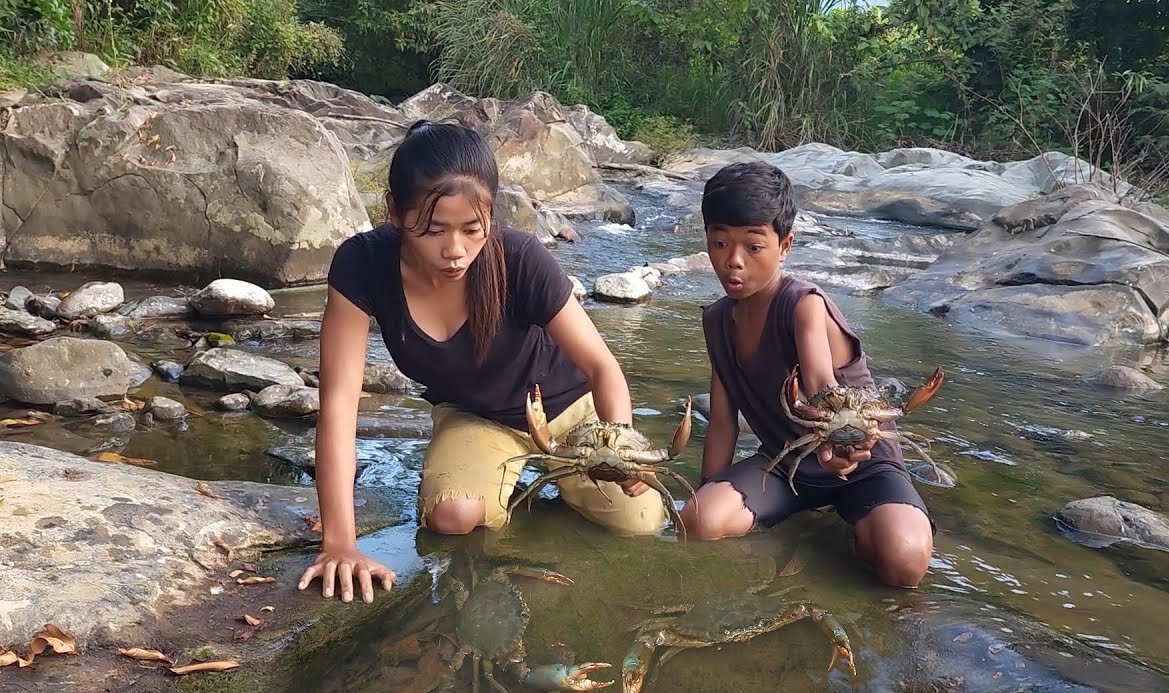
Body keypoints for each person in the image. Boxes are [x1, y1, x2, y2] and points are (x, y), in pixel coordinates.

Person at [297, 120, 665, 605]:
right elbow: (340, 405)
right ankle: (513, 500)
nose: (455, 251)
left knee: (638, 523)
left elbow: (602, 367)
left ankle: (552, 493)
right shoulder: (363, 265)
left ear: (491, 213)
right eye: (431, 230)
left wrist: (618, 449)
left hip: (572, 413)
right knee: (452, 518)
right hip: (479, 417)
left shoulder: (521, 259)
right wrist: (340, 543)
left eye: (472, 229)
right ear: (393, 212)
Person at [678, 161, 935, 588]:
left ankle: (859, 528)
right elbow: (722, 420)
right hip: (787, 462)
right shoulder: (717, 320)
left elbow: (821, 389)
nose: (733, 262)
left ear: (784, 246)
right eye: (720, 243)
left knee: (903, 564)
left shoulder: (804, 305)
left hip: (860, 462)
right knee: (698, 525)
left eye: (753, 247)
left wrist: (841, 454)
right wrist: (707, 490)